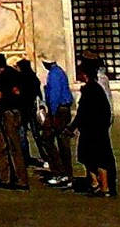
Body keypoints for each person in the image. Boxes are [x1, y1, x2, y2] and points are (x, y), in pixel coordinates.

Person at [72, 61, 115, 198]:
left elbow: (82, 112)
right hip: (98, 129)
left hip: (91, 130)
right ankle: (100, 185)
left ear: (85, 75)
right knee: (98, 158)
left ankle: (100, 185)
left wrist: (72, 127)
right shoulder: (98, 89)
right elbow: (106, 110)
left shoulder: (89, 90)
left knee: (90, 158)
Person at [0, 55, 27, 191]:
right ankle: (5, 178)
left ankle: (20, 179)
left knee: (14, 146)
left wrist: (3, 95)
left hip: (10, 113)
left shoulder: (10, 75)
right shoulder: (4, 75)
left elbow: (17, 93)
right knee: (1, 146)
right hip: (2, 114)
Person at [39, 57, 74, 186]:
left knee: (48, 139)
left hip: (58, 111)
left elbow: (54, 95)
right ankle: (66, 173)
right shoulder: (60, 71)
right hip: (63, 109)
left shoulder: (53, 75)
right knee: (62, 141)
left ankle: (60, 172)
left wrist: (52, 114)